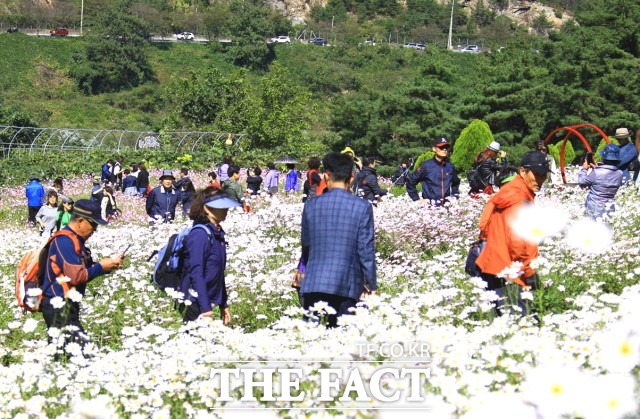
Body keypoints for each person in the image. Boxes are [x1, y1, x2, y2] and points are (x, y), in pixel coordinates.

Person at [300, 152, 378, 327]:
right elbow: (366, 250)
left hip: (314, 283)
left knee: (311, 342)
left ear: (326, 176)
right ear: (351, 178)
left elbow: (306, 245)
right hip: (347, 285)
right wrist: (371, 284)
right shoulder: (363, 207)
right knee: (344, 344)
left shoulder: (311, 205)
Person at [475, 151, 552, 316]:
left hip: (493, 263)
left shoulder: (510, 190)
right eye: (537, 174)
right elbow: (518, 241)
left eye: (544, 175)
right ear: (523, 171)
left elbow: (485, 224)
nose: (540, 179)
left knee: (499, 319)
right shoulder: (519, 198)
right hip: (509, 269)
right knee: (521, 321)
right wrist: (529, 273)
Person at [41, 200, 123, 353]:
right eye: (94, 225)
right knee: (82, 356)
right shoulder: (64, 241)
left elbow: (82, 270)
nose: (95, 230)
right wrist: (101, 267)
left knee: (65, 355)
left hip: (66, 304)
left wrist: (108, 265)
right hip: (58, 305)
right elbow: (76, 277)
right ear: (80, 221)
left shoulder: (75, 240)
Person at [179, 187, 241, 323]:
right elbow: (196, 273)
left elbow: (218, 272)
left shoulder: (217, 233)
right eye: (222, 206)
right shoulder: (200, 235)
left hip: (209, 300)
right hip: (196, 302)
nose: (226, 209)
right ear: (206, 208)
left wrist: (223, 304)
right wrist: (205, 308)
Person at [406, 137, 460, 206]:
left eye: (446, 147)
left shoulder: (450, 166)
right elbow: (410, 181)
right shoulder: (426, 166)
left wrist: (454, 196)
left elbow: (456, 182)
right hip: (430, 208)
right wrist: (417, 199)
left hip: (446, 208)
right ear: (434, 149)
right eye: (441, 147)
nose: (444, 149)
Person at [578, 144, 623, 220]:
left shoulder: (597, 172)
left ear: (604, 158)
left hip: (594, 205)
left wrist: (584, 169)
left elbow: (582, 182)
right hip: (609, 205)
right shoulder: (620, 173)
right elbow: (605, 178)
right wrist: (597, 168)